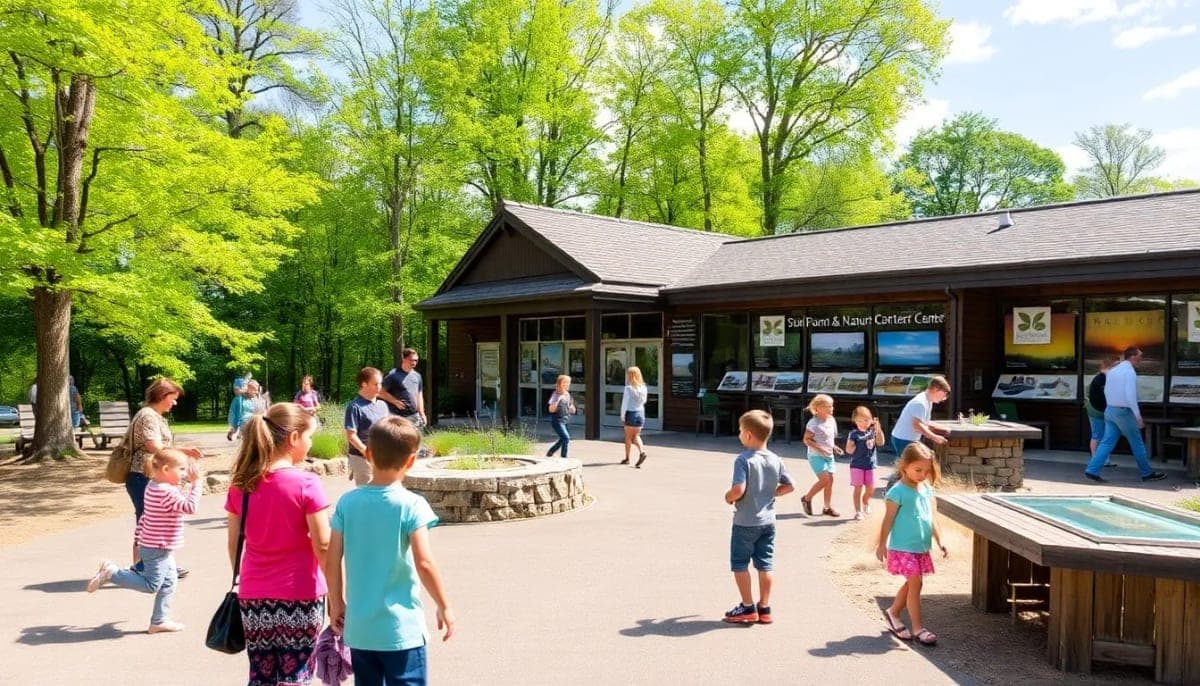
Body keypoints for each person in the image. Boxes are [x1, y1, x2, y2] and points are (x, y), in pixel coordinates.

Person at [327, 416, 455, 684]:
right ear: (411, 461)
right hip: (401, 630)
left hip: (360, 629)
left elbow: (332, 557)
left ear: (368, 453)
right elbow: (425, 563)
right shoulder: (411, 505)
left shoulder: (347, 503)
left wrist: (336, 602)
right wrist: (443, 605)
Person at [226, 403, 331, 686]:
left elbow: (234, 544)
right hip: (301, 593)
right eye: (309, 437)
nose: (310, 444)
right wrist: (337, 592)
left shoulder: (241, 484)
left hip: (254, 594)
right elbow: (322, 543)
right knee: (296, 673)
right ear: (294, 438)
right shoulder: (306, 483)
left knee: (261, 675)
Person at [87, 448, 200, 633]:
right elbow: (189, 507)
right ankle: (111, 573)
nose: (184, 474)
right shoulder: (165, 491)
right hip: (157, 547)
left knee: (169, 582)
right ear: (165, 470)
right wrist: (197, 484)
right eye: (181, 469)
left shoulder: (154, 486)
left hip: (155, 545)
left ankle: (159, 621)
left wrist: (139, 537)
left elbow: (148, 515)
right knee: (151, 585)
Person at [722, 410, 794, 624]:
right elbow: (790, 486)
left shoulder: (743, 460)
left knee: (739, 563)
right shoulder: (775, 459)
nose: (739, 434)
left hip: (745, 521)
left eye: (740, 431)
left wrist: (728, 497)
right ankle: (765, 607)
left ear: (749, 435)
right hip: (768, 522)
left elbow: (738, 489)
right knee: (765, 564)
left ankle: (747, 607)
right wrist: (773, 492)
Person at [125, 378, 202, 578]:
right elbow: (154, 446)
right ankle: (142, 566)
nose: (174, 403)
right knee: (148, 520)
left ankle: (155, 565)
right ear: (162, 396)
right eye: (172, 398)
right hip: (143, 475)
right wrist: (181, 452)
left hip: (148, 475)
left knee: (151, 520)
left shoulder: (155, 416)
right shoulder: (148, 416)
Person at [876, 442, 947, 646]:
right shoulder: (897, 492)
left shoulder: (925, 489)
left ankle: (893, 612)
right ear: (903, 466)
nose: (923, 475)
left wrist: (939, 540)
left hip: (921, 547)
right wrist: (882, 544)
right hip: (903, 547)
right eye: (918, 470)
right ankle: (918, 628)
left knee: (912, 583)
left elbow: (930, 518)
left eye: (926, 471)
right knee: (916, 583)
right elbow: (888, 520)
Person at [1085, 347, 1167, 483]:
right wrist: (1137, 416)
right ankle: (1146, 473)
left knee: (1106, 442)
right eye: (1140, 356)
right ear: (1133, 357)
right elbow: (1130, 396)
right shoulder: (1129, 372)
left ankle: (1092, 470)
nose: (1142, 359)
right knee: (1137, 442)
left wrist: (1110, 407)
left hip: (1110, 410)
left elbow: (1107, 392)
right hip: (1123, 411)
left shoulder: (1113, 371)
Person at [800, 394, 843, 517]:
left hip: (829, 455)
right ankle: (807, 498)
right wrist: (821, 448)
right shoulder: (813, 423)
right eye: (827, 406)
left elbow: (829, 439)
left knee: (830, 481)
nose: (831, 409)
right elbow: (806, 440)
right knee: (824, 480)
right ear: (817, 408)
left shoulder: (831, 420)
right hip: (816, 455)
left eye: (831, 406)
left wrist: (834, 447)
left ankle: (827, 507)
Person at [345, 367, 390, 486]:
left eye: (380, 383)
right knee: (367, 494)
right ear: (364, 384)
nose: (379, 387)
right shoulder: (355, 407)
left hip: (382, 457)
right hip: (362, 458)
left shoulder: (383, 405)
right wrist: (366, 452)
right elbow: (351, 435)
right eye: (375, 384)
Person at [889, 376, 952, 455]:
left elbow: (924, 422)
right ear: (936, 389)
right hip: (903, 439)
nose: (944, 398)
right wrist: (935, 437)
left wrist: (942, 428)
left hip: (907, 439)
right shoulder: (920, 403)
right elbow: (917, 426)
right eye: (944, 394)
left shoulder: (928, 400)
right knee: (908, 465)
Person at [846, 406, 885, 520]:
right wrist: (852, 445)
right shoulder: (854, 433)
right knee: (857, 487)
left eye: (866, 420)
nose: (863, 423)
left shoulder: (872, 432)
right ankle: (858, 511)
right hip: (857, 465)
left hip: (870, 464)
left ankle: (865, 502)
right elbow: (848, 450)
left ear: (872, 420)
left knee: (870, 488)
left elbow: (881, 442)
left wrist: (878, 429)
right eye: (860, 421)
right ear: (855, 421)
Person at [379, 348, 426, 428]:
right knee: (397, 440)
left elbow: (419, 395)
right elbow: (379, 392)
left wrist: (422, 413)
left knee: (415, 440)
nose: (414, 363)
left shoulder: (417, 376)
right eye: (411, 360)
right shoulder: (393, 375)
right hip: (396, 416)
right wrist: (395, 401)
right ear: (403, 359)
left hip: (414, 416)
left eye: (416, 360)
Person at [1085, 358, 1117, 467]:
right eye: (1116, 366)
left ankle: (1103, 459)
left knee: (1102, 435)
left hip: (1102, 410)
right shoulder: (1102, 379)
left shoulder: (1102, 378)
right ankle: (1096, 459)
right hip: (1097, 410)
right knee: (1098, 434)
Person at [620, 366, 648, 467]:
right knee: (636, 436)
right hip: (640, 414)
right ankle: (642, 451)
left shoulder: (628, 388)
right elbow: (644, 401)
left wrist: (622, 415)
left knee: (628, 437)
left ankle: (627, 458)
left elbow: (625, 403)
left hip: (630, 413)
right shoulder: (643, 388)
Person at [545, 374, 576, 458]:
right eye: (565, 382)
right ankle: (563, 457)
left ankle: (550, 452)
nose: (567, 384)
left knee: (563, 439)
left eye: (568, 382)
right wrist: (558, 401)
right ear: (559, 383)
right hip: (557, 421)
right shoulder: (555, 394)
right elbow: (550, 409)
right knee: (566, 438)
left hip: (565, 420)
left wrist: (572, 408)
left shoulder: (567, 394)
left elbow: (571, 407)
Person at [227, 371, 253, 441]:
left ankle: (239, 433)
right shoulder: (238, 399)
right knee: (236, 419)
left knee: (242, 419)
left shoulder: (245, 398)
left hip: (242, 412)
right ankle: (235, 432)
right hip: (238, 407)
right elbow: (238, 391)